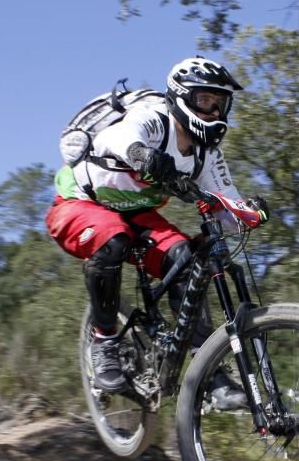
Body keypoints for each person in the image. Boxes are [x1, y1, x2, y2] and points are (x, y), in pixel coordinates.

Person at [45, 57, 267, 410]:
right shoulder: (154, 116)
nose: (212, 110)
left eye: (220, 103)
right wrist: (141, 154)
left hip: (137, 214)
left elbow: (228, 204)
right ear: (181, 96)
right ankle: (105, 344)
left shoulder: (206, 154)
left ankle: (206, 369)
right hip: (79, 203)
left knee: (187, 258)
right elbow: (114, 138)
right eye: (204, 100)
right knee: (112, 238)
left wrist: (250, 213)